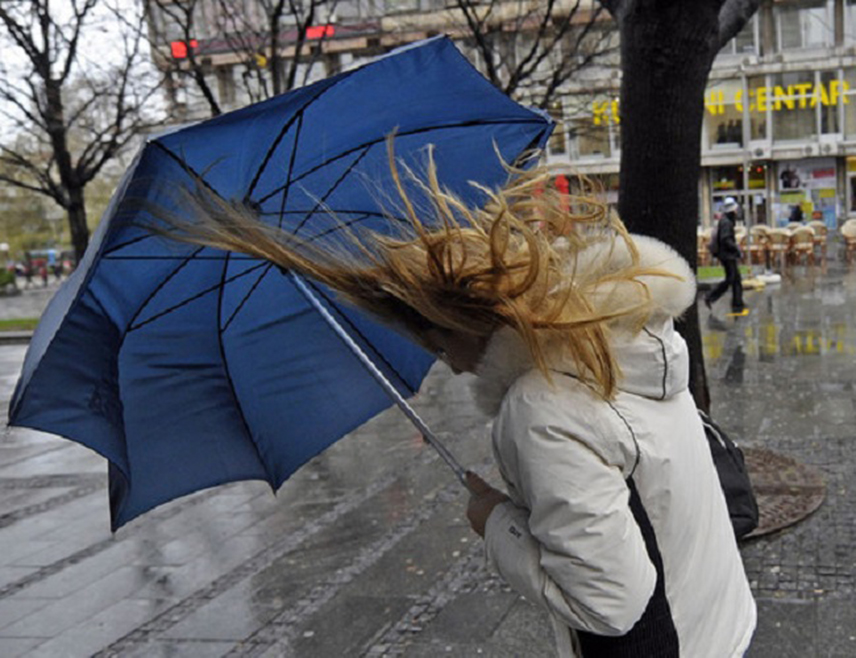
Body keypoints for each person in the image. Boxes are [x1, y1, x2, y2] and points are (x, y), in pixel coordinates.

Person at [156, 148, 756, 657]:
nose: (440, 359)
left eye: (433, 339)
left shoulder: (544, 408)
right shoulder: (620, 337)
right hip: (719, 621)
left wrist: (495, 522)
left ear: (460, 320)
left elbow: (609, 603)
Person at [705, 197, 746, 313]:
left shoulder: (725, 220)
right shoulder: (726, 222)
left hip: (727, 255)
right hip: (727, 255)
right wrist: (736, 249)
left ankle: (738, 303)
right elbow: (726, 239)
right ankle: (711, 296)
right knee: (731, 279)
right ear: (733, 210)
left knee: (735, 279)